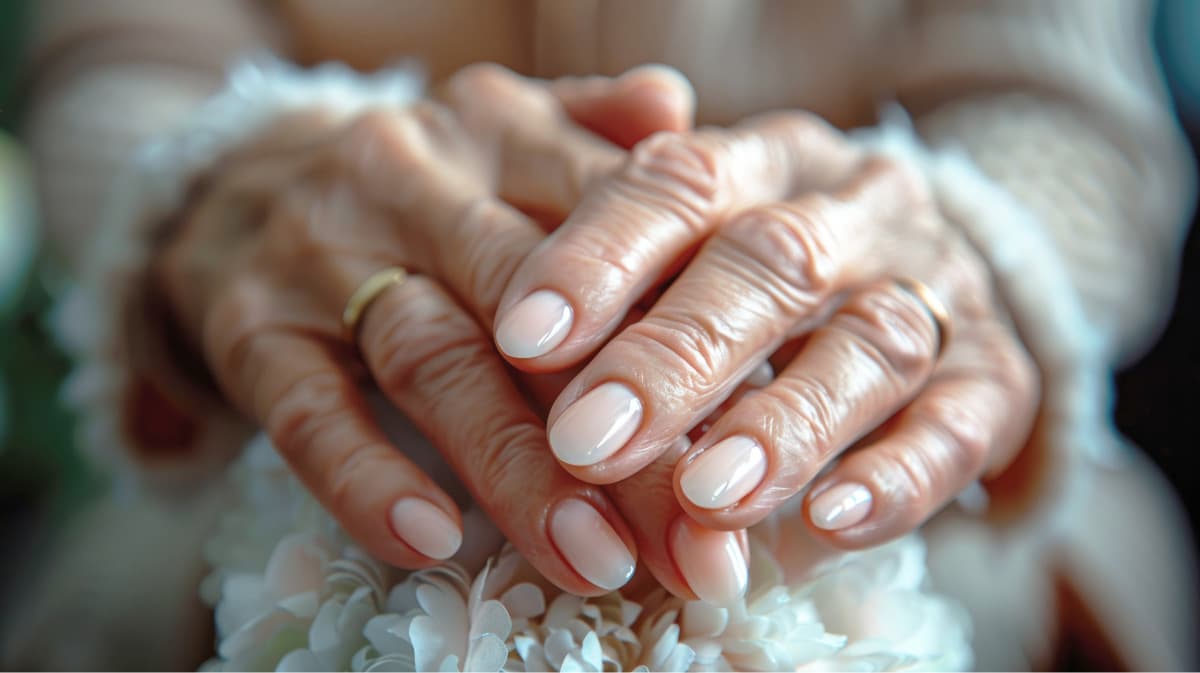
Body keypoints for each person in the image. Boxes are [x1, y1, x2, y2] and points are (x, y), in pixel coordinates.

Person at [6, 0, 1196, 669]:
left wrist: (939, 248)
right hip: (317, 412)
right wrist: (242, 186)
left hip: (862, 437)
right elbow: (122, 62)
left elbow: (1070, 122)